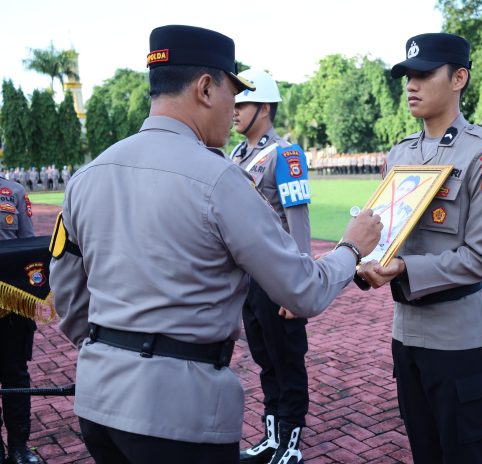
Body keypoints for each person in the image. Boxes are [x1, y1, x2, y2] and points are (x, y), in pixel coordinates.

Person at [49, 24, 382, 464]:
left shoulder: (87, 176)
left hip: (98, 404)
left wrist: (114, 354)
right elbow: (305, 289)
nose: (234, 109)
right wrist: (351, 249)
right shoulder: (220, 178)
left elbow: (70, 299)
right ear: (206, 88)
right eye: (232, 94)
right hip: (181, 417)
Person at [355, 33, 482, 464]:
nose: (412, 84)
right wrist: (363, 258)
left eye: (424, 74)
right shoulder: (400, 153)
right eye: (408, 75)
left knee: (463, 455)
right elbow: (386, 234)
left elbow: (479, 259)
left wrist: (403, 268)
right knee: (423, 452)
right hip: (406, 333)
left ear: (459, 78)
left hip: (459, 337)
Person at [229, 69, 312, 464]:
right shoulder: (235, 156)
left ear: (263, 108)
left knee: (287, 361)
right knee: (264, 360)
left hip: (278, 277)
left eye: (241, 103)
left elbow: (298, 222)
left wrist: (298, 287)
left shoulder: (286, 154)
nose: (233, 109)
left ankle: (291, 444)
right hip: (249, 279)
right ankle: (272, 436)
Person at [0, 176, 40, 464]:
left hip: (10, 303)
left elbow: (27, 246)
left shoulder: (13, 191)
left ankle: (18, 447)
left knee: (15, 373)